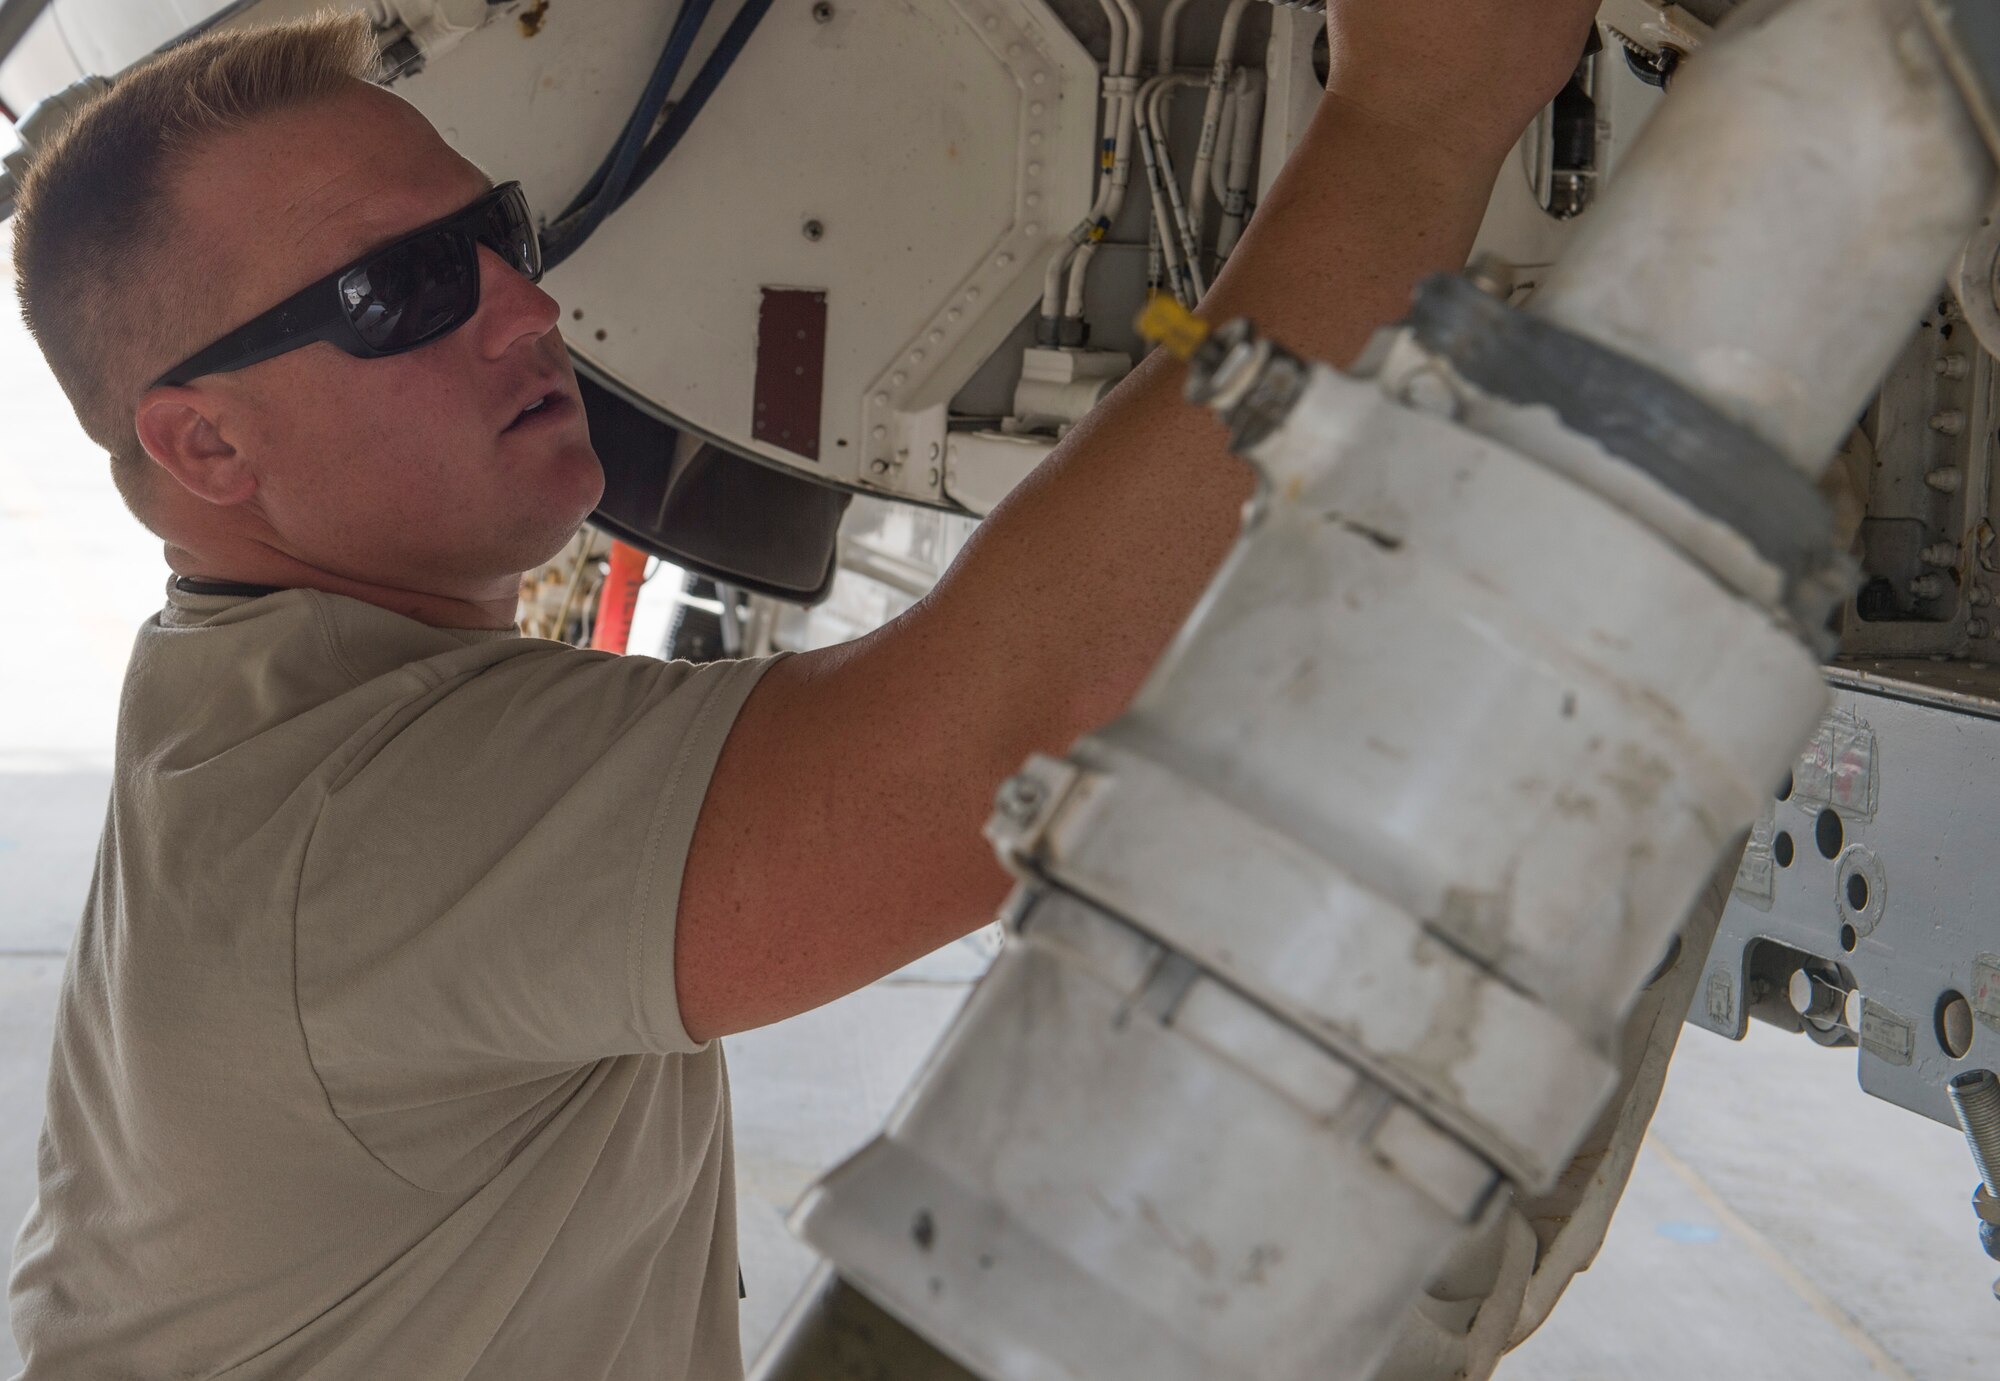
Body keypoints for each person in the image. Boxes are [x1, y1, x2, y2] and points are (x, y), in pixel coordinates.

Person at [4, 3, 1603, 1376]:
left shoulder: (276, 712)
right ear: (202, 446)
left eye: (498, 238)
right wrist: (1413, 117)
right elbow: (997, 737)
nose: (531, 308)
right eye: (400, 292)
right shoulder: (345, 828)